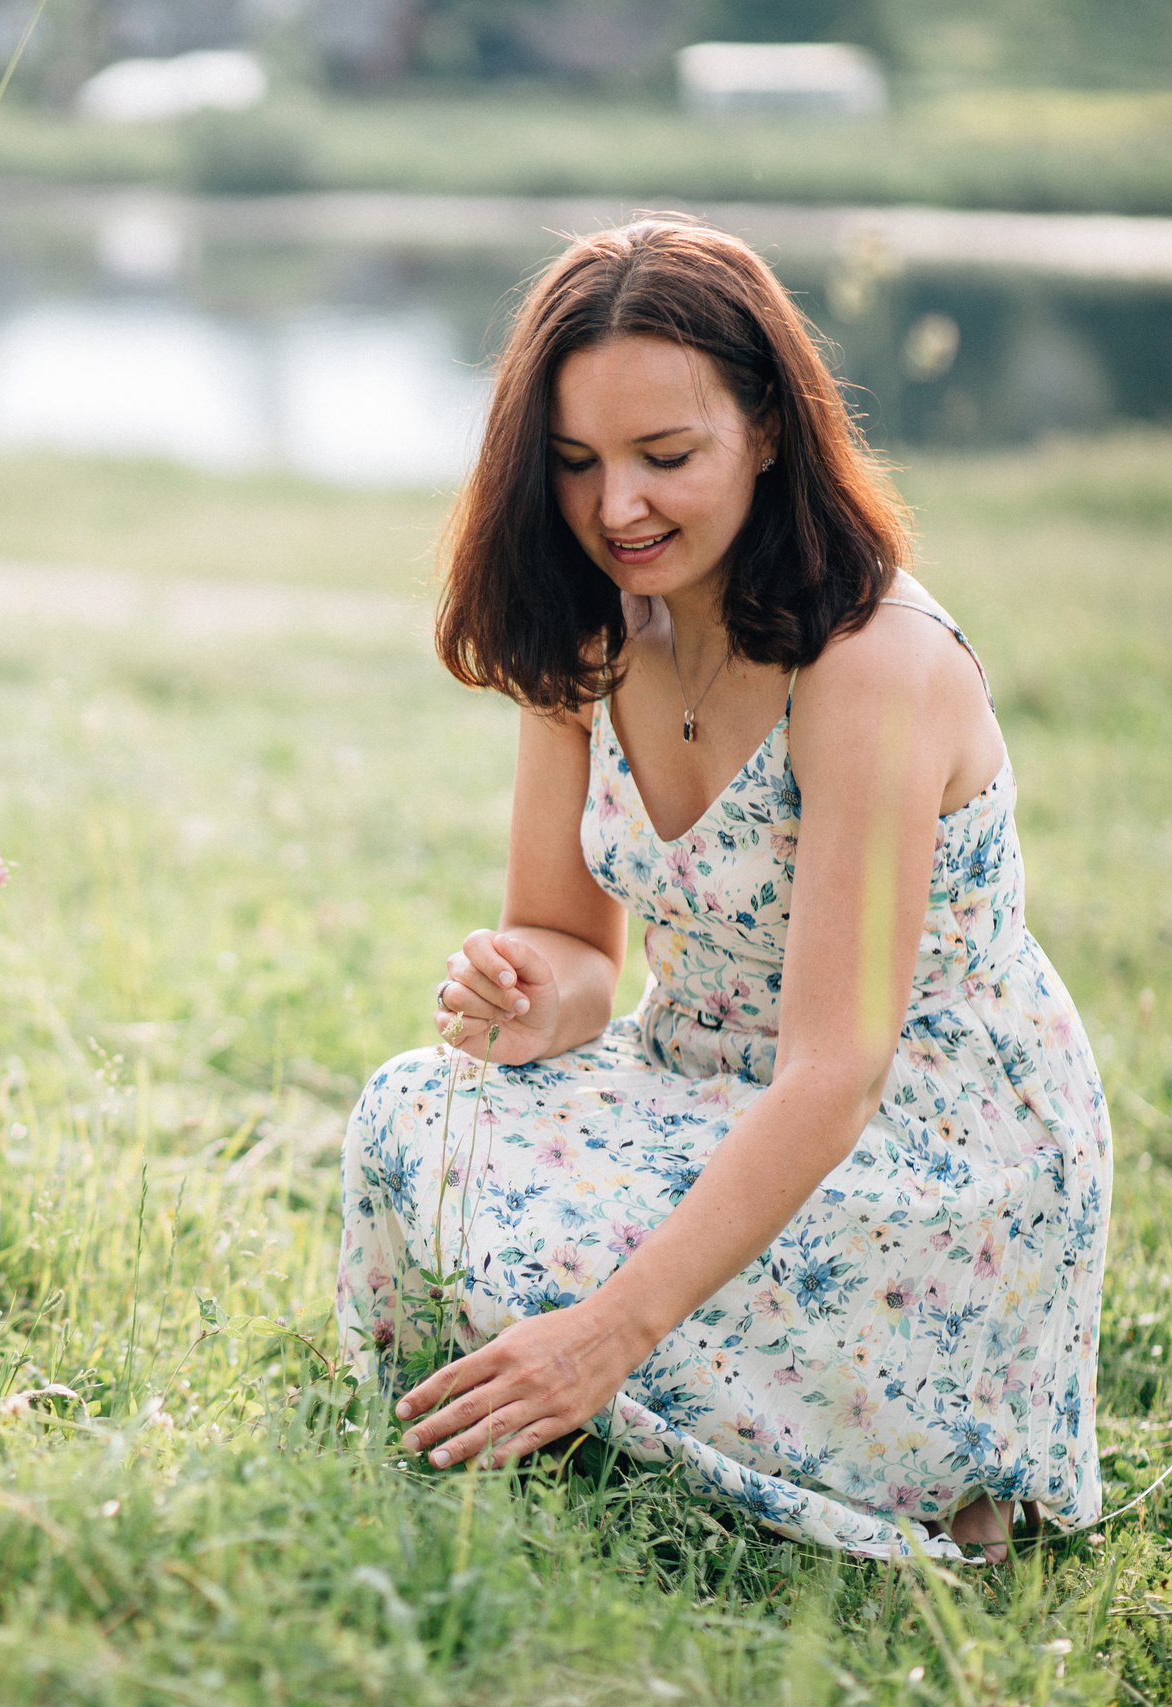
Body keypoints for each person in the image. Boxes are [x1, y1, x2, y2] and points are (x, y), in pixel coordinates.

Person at [338, 217, 1109, 1561]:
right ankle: (628, 1396)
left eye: (665, 456)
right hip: (694, 1084)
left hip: (921, 1146)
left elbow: (835, 1074)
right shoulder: (590, 626)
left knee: (582, 1272)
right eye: (575, 462)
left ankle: (901, 1454)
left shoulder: (871, 665)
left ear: (765, 429)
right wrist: (528, 997)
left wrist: (608, 1332)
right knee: (415, 1109)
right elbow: (570, 942)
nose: (616, 509)